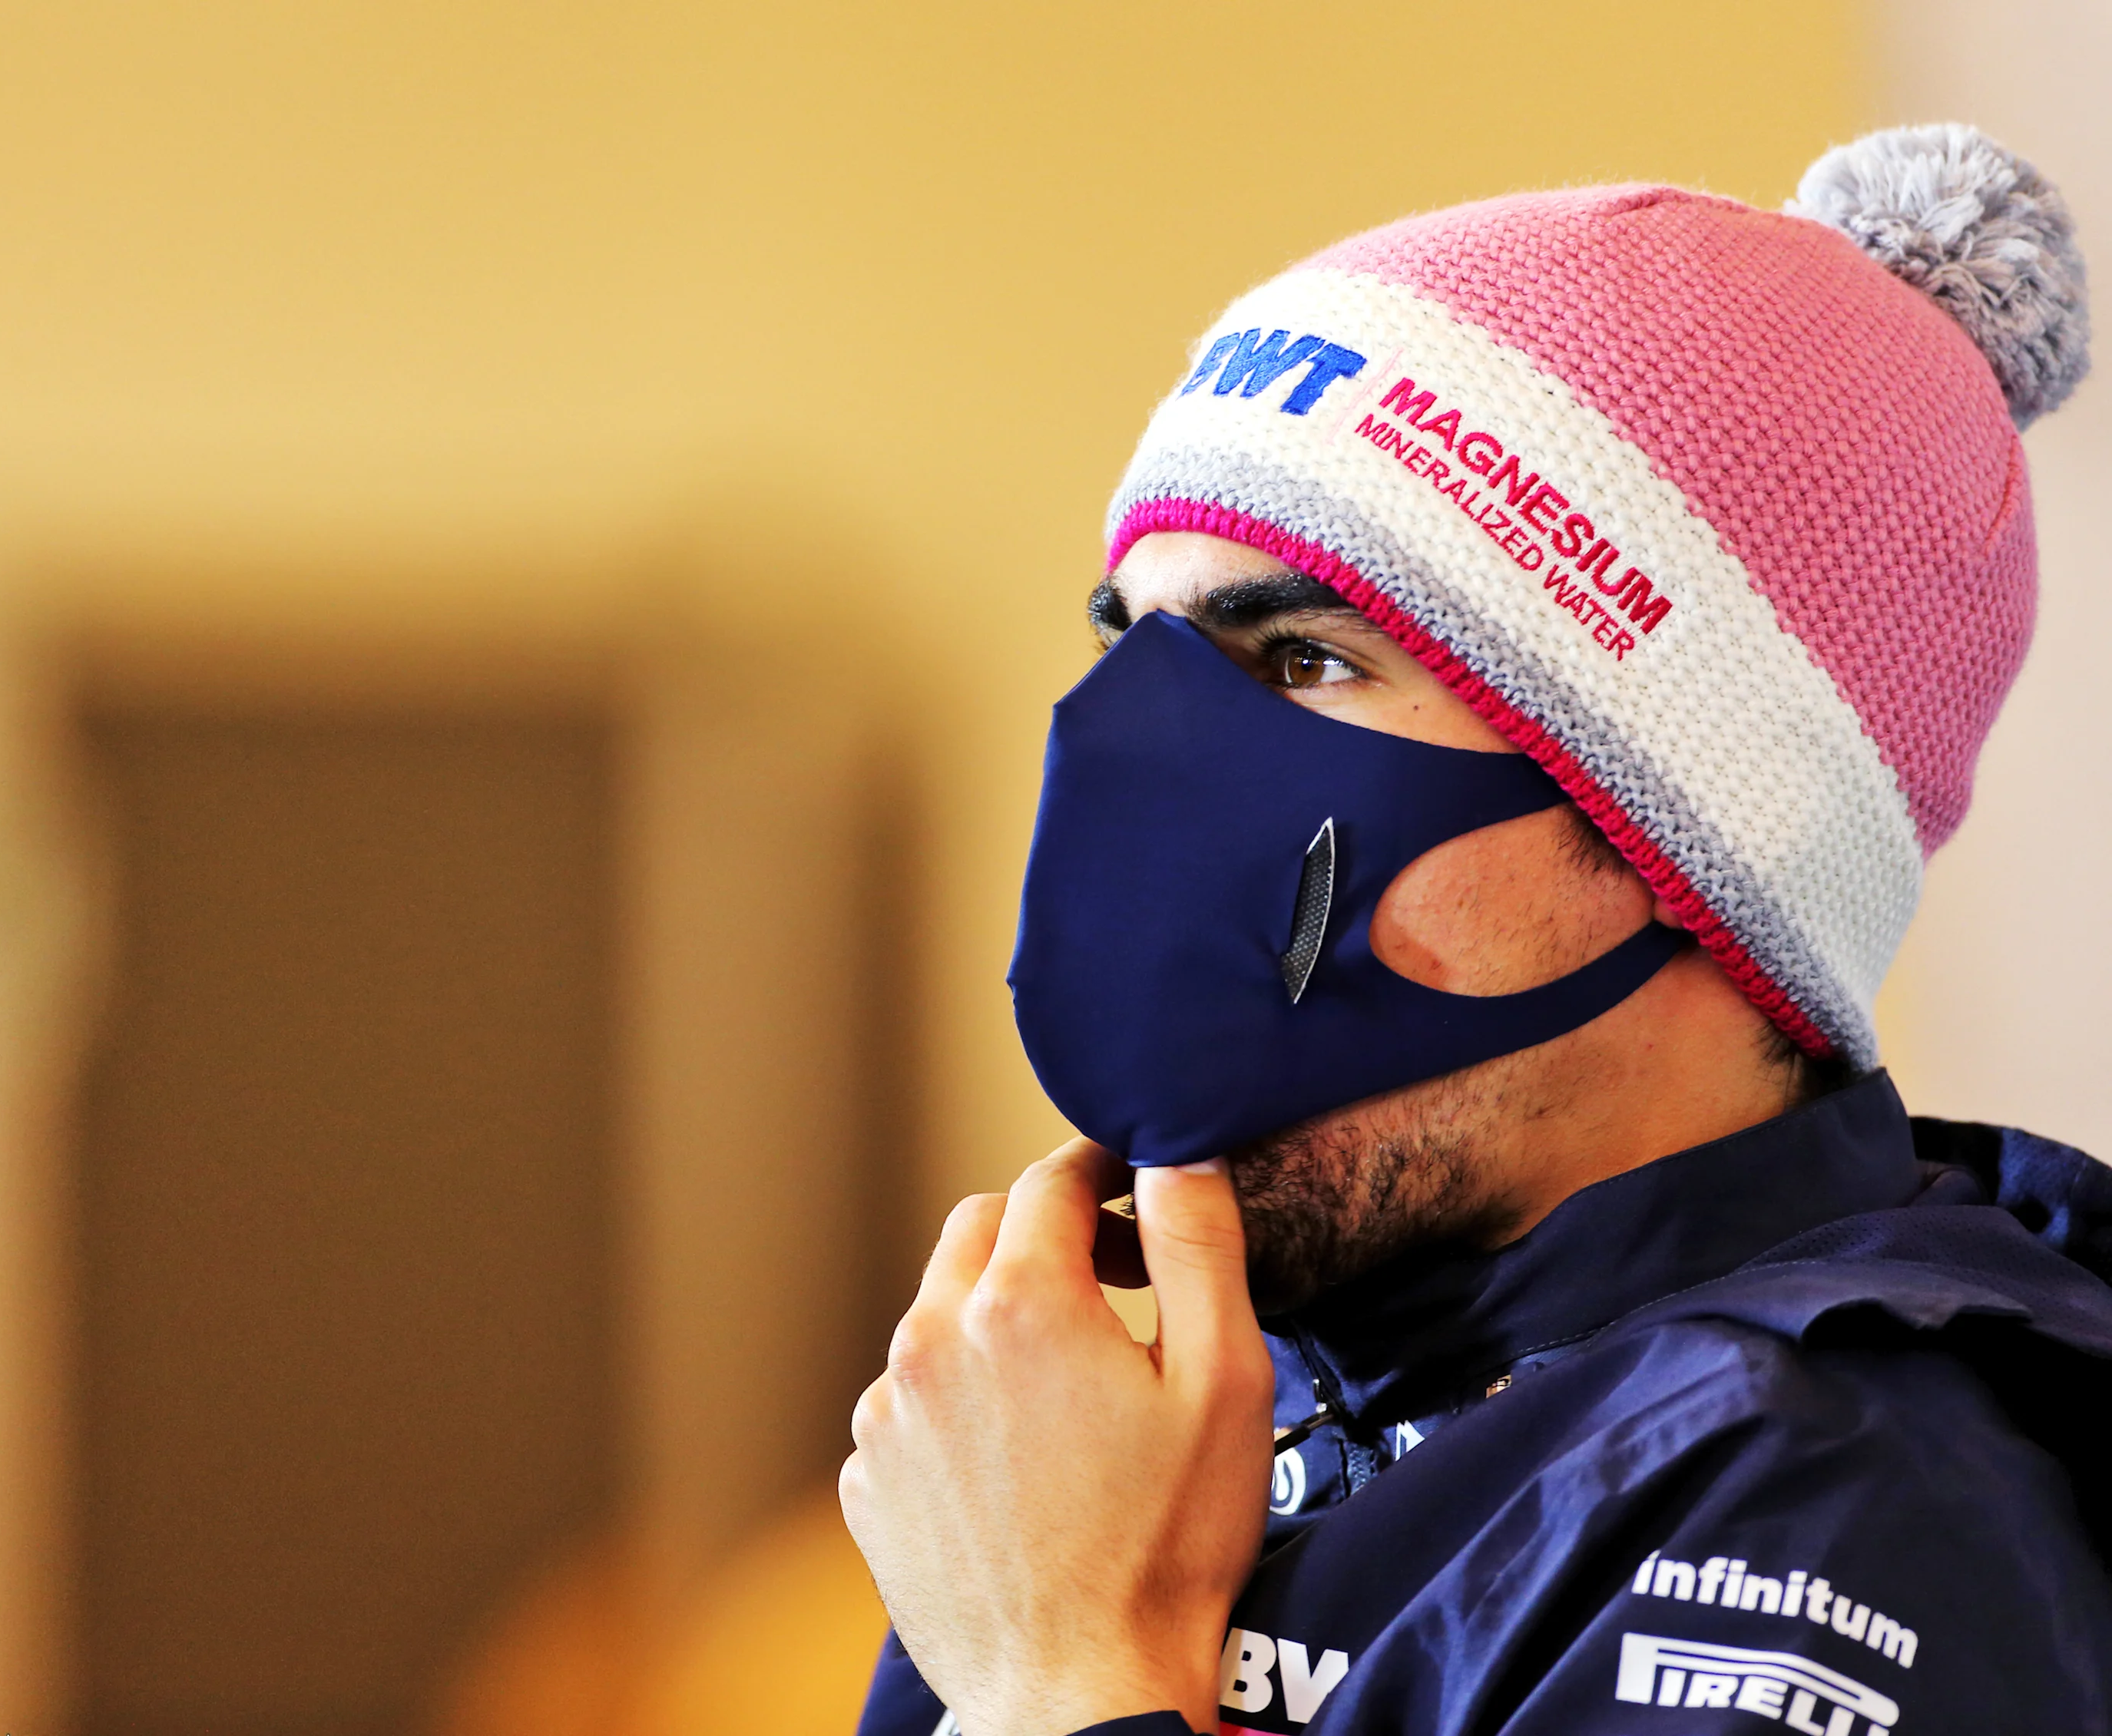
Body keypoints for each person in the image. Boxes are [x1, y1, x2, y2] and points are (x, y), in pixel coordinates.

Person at [840, 124, 2112, 1736]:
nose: (1144, 801)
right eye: (1134, 655)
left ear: (1703, 829)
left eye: (1305, 662)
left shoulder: (1835, 1511)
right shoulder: (1193, 1422)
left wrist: (1058, 1680)